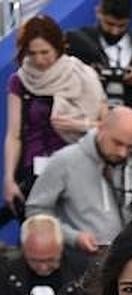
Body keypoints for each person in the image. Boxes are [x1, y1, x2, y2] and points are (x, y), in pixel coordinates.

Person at [26, 105, 132, 256]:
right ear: (101, 128)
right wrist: (73, 237)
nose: (122, 152)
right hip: (80, 260)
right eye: (117, 143)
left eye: (130, 146)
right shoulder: (65, 161)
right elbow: (36, 211)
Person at [4, 16, 105, 223]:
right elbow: (14, 135)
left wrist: (78, 125)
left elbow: (105, 127)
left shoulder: (83, 75)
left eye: (45, 52)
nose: (39, 60)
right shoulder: (19, 81)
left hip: (78, 170)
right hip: (34, 173)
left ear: (58, 48)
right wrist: (9, 178)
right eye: (32, 53)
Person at [65, 0, 132, 113]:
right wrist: (87, 76)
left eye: (122, 25)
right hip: (87, 117)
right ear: (98, 12)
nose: (115, 31)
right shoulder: (77, 41)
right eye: (109, 24)